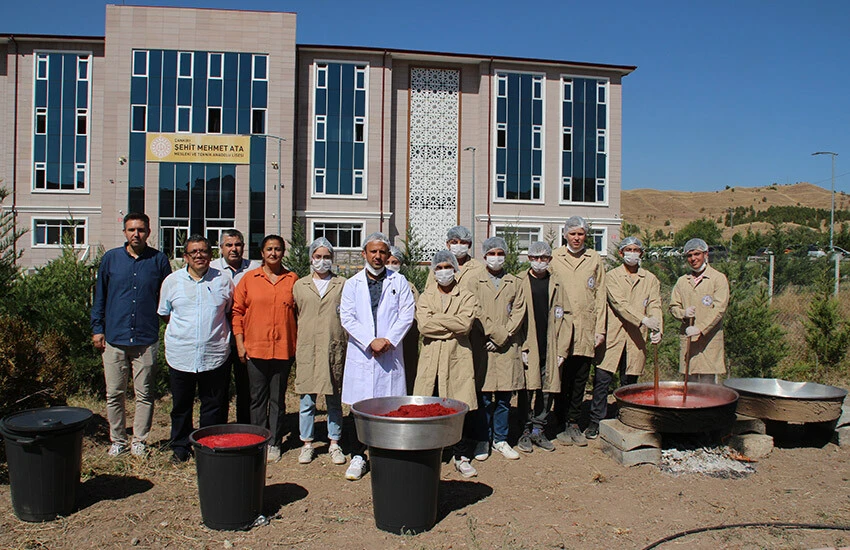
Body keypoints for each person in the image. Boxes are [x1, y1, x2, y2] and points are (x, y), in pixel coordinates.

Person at [91, 212, 172, 457]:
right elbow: (100, 296)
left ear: (148, 232)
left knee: (144, 393)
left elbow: (166, 298)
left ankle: (140, 440)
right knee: (114, 393)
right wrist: (97, 328)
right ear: (124, 232)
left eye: (141, 230)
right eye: (131, 230)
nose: (136, 234)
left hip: (146, 338)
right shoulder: (111, 259)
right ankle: (118, 440)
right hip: (114, 336)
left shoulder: (158, 260)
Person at [340, 232, 416, 480]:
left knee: (389, 407)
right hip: (363, 354)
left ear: (388, 255)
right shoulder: (352, 284)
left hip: (389, 354)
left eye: (382, 252)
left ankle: (386, 455)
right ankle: (358, 456)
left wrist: (388, 340)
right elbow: (347, 317)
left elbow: (407, 314)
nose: (378, 256)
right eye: (373, 251)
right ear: (364, 254)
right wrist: (370, 340)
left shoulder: (399, 281)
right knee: (359, 409)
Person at [158, 235, 233, 463]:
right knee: (181, 405)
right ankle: (180, 446)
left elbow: (227, 311)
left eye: (203, 251)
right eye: (194, 252)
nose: (199, 255)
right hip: (181, 354)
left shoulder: (223, 280)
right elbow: (165, 314)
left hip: (215, 353)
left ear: (211, 255)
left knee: (214, 405)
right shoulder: (172, 282)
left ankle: (209, 447)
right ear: (185, 257)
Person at [586, 237, 663, 439]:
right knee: (603, 380)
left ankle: (627, 417)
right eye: (628, 249)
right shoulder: (612, 277)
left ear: (641, 254)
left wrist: (657, 327)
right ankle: (596, 420)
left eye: (636, 249)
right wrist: (644, 319)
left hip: (636, 337)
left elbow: (655, 304)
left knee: (629, 381)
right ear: (621, 254)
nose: (632, 253)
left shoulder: (650, 279)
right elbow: (619, 304)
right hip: (614, 335)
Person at [232, 234, 299, 463]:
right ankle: (258, 439)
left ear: (283, 252)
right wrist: (240, 344)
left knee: (277, 399)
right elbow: (237, 312)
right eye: (269, 249)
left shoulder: (292, 279)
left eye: (278, 249)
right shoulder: (250, 279)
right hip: (255, 348)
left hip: (283, 349)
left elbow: (300, 314)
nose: (273, 253)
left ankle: (274, 442)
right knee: (257, 398)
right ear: (262, 253)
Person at [414, 250, 480, 477]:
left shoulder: (467, 296)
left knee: (457, 407)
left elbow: (464, 326)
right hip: (431, 358)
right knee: (428, 404)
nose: (444, 272)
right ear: (433, 271)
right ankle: (429, 449)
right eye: (439, 268)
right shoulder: (426, 296)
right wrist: (449, 324)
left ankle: (461, 455)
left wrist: (437, 320)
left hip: (456, 357)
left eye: (448, 267)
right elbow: (424, 326)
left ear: (455, 269)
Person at [467, 237, 526, 460]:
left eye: (500, 253)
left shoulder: (514, 282)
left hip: (506, 347)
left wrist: (503, 336)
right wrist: (493, 333)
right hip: (483, 344)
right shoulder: (474, 281)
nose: (496, 258)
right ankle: (483, 439)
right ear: (484, 256)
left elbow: (519, 311)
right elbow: (475, 310)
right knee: (483, 396)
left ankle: (500, 439)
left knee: (503, 396)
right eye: (492, 253)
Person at [550, 216, 606, 447]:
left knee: (581, 376)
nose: (576, 238)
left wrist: (600, 329)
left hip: (586, 326)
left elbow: (601, 295)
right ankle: (559, 420)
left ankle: (574, 421)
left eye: (580, 234)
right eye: (572, 234)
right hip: (561, 326)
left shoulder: (594, 259)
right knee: (561, 376)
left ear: (586, 236)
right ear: (565, 235)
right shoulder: (554, 258)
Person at [292, 238, 347, 466]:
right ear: (311, 258)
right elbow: (296, 313)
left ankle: (334, 442)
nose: (322, 261)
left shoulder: (342, 283)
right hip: (307, 347)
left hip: (333, 346)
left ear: (332, 259)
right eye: (318, 256)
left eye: (326, 257)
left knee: (334, 398)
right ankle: (307, 443)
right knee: (307, 399)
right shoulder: (300, 285)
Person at [516, 241, 572, 453]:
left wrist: (562, 350)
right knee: (527, 390)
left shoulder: (556, 283)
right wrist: (520, 346)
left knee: (546, 389)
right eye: (535, 258)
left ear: (549, 259)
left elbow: (567, 316)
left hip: (550, 345)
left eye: (544, 258)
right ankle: (524, 430)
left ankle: (539, 430)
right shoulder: (520, 281)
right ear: (529, 258)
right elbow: (513, 316)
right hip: (528, 344)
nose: (539, 262)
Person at [212, 229, 260, 424]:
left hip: (247, 338)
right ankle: (220, 427)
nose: (234, 249)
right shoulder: (212, 269)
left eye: (238, 245)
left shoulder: (255, 268)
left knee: (246, 387)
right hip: (219, 338)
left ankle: (244, 427)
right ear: (221, 248)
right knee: (219, 389)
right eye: (229, 245)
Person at [669, 238, 729, 384]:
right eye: (689, 256)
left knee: (708, 384)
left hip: (709, 339)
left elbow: (719, 309)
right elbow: (673, 306)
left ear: (705, 254)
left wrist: (700, 328)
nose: (693, 259)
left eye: (697, 254)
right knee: (690, 383)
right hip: (689, 339)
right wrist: (683, 313)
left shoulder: (718, 279)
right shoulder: (682, 281)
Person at [387, 245, 421, 395]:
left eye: (395, 262)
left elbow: (416, 312)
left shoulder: (409, 287)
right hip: (384, 339)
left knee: (407, 371)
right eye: (388, 261)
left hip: (407, 338)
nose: (391, 265)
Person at [424, 225, 487, 291]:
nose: (458, 245)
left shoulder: (479, 268)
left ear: (469, 244)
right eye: (454, 242)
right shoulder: (438, 266)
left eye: (463, 242)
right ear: (448, 244)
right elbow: (429, 291)